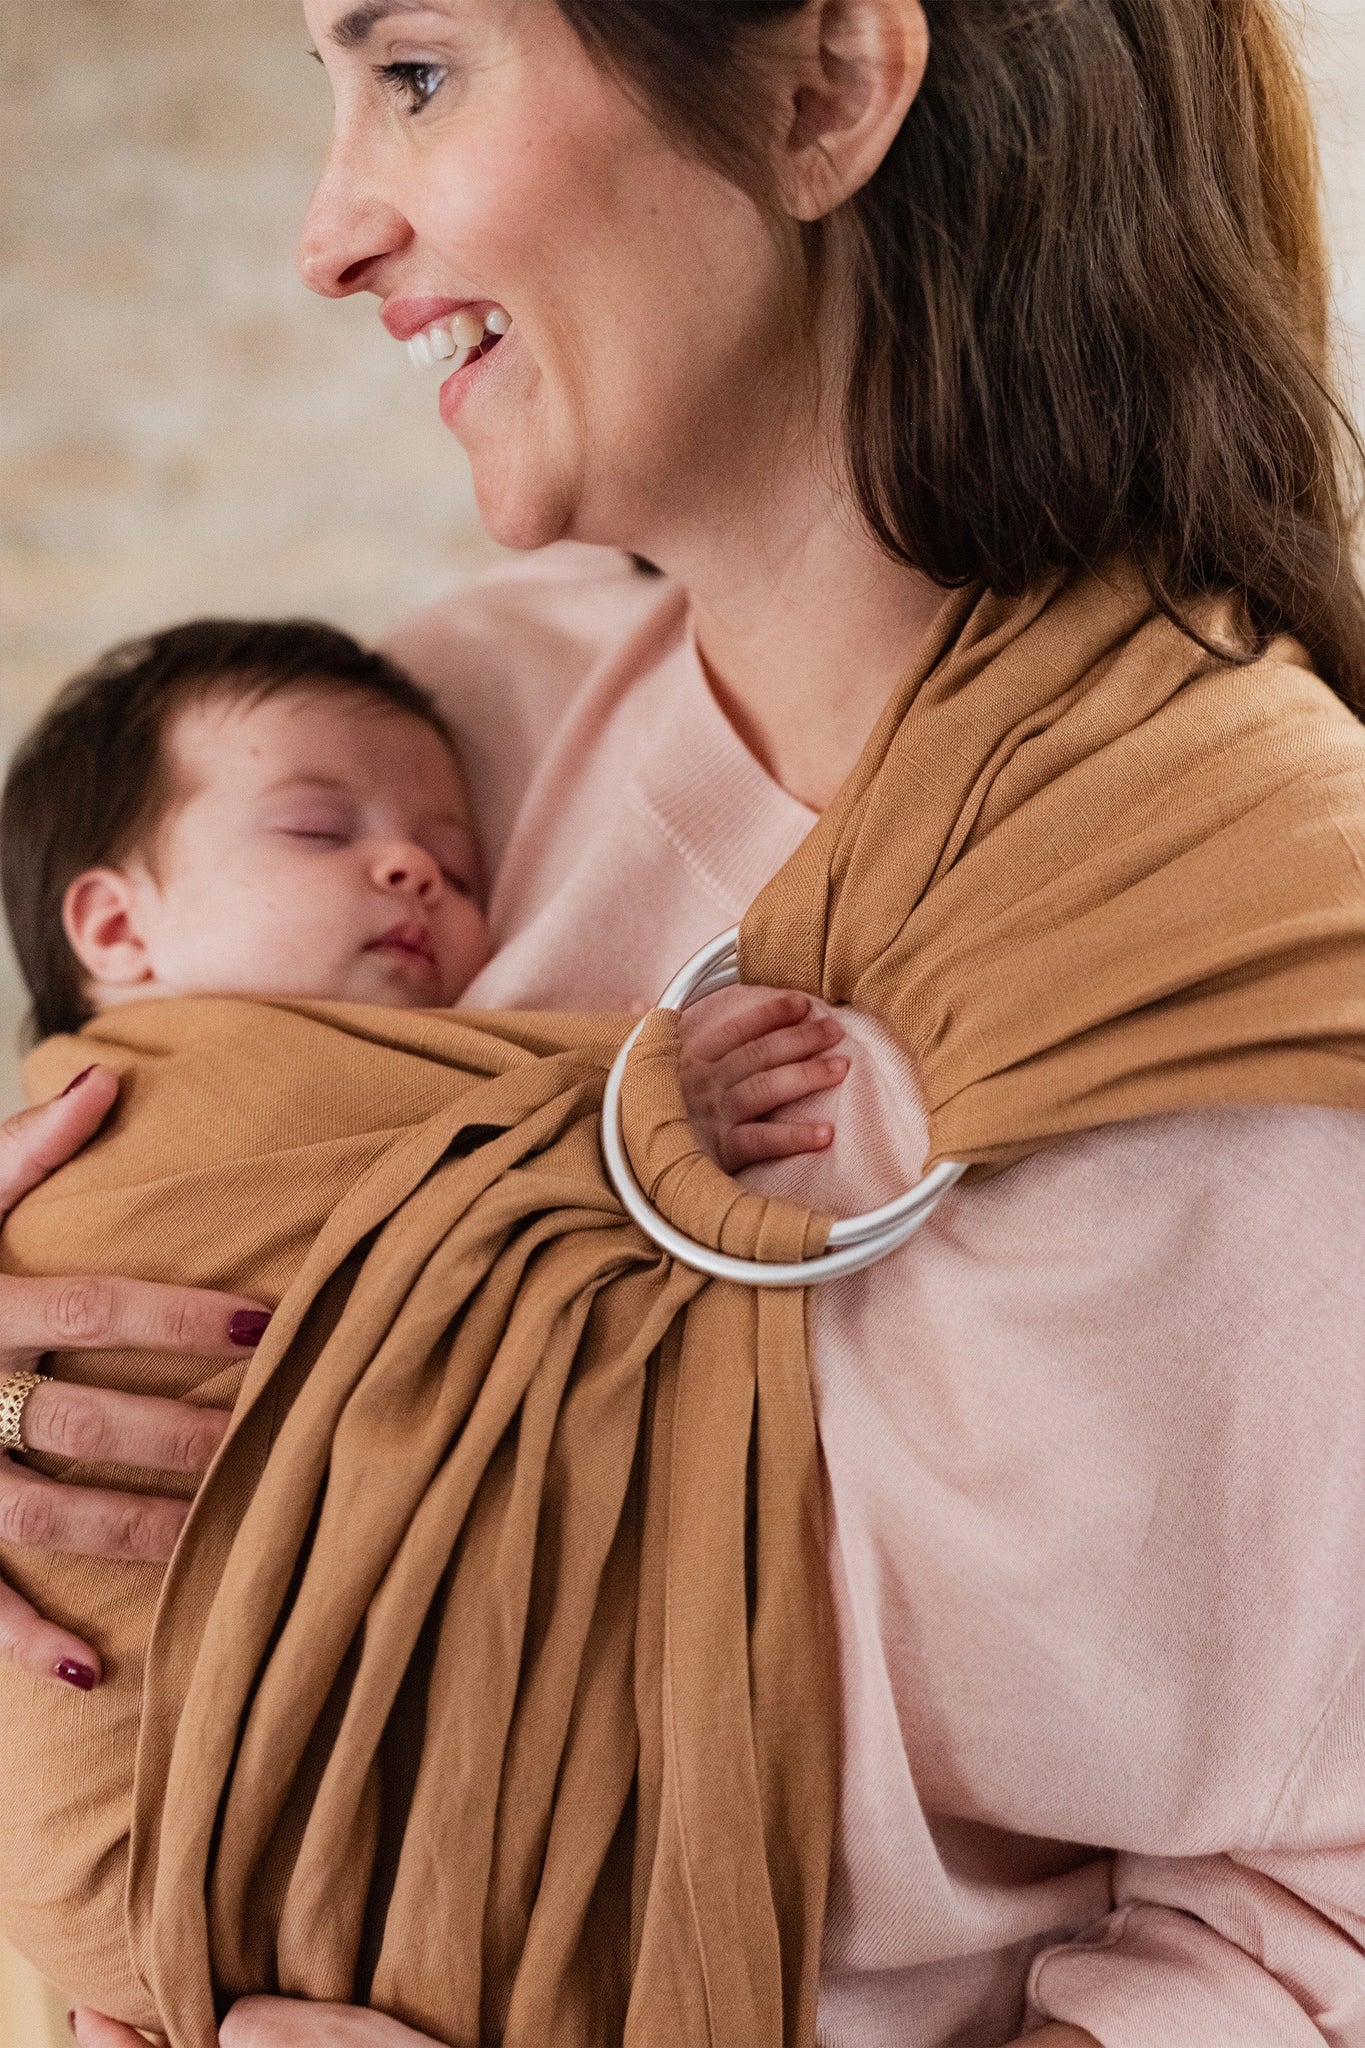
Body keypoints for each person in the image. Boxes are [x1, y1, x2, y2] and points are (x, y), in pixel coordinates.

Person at [0, 0, 1355, 2040]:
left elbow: (1309, 1923)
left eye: (418, 75)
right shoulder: (447, 745)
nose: (328, 233)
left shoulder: (1261, 964)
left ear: (824, 88)